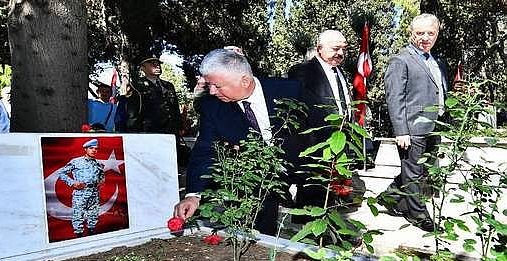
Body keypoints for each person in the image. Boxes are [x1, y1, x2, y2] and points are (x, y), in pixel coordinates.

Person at [173, 49, 302, 235]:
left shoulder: (291, 90)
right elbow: (205, 150)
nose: (211, 91)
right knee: (257, 237)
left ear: (244, 81)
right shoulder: (213, 107)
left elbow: (318, 128)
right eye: (209, 85)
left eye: (217, 85)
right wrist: (194, 195)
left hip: (305, 171)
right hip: (257, 181)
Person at [379, 13, 448, 232]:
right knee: (413, 173)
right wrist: (401, 131)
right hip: (412, 128)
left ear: (437, 34)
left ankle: (389, 197)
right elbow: (394, 97)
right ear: (411, 34)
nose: (425, 37)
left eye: (430, 33)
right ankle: (419, 216)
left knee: (419, 171)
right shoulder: (401, 60)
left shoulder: (437, 62)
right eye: (420, 33)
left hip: (433, 126)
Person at [287, 30, 353, 217]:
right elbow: (303, 110)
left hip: (339, 142)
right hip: (314, 145)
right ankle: (308, 236)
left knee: (329, 195)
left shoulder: (340, 73)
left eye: (343, 49)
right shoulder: (302, 72)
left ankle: (325, 230)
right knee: (312, 195)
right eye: (335, 48)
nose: (340, 53)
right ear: (319, 49)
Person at [58, 138, 106, 237]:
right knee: (78, 215)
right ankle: (79, 237)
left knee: (93, 215)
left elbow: (102, 177)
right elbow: (61, 173)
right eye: (91, 148)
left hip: (94, 193)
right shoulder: (76, 162)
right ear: (85, 149)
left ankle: (91, 233)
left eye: (96, 149)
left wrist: (100, 182)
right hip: (81, 193)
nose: (94, 150)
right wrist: (72, 183)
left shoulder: (99, 164)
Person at [126, 55, 182, 134]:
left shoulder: (168, 85)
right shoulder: (136, 86)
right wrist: (134, 131)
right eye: (153, 64)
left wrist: (179, 126)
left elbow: (175, 108)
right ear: (143, 68)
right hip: (149, 131)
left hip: (170, 131)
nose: (158, 66)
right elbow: (132, 112)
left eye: (158, 64)